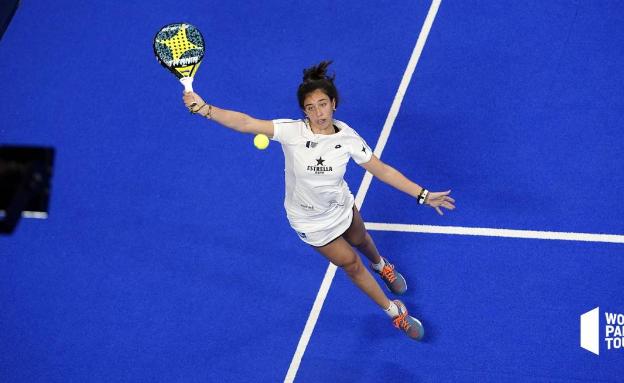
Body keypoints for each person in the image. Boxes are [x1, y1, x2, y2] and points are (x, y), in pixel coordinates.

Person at [182, 61, 455, 340]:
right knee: (350, 263)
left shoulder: (348, 138)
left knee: (361, 239)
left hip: (339, 206)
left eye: (322, 104)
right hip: (309, 221)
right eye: (310, 108)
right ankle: (395, 313)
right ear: (304, 111)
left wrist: (422, 194)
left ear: (333, 103)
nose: (318, 112)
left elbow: (381, 170)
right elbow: (246, 122)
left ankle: (381, 265)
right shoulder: (291, 132)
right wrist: (206, 109)